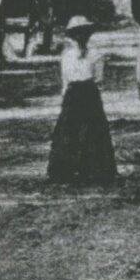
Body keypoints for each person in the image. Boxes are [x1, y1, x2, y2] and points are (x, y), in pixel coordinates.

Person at [46, 16, 117, 186]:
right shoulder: (67, 56)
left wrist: (94, 96)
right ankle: (68, 171)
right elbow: (65, 79)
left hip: (89, 94)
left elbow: (98, 79)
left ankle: (94, 171)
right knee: (69, 131)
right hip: (73, 95)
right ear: (73, 36)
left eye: (84, 33)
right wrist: (65, 98)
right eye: (77, 34)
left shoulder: (96, 55)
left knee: (92, 131)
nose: (81, 37)